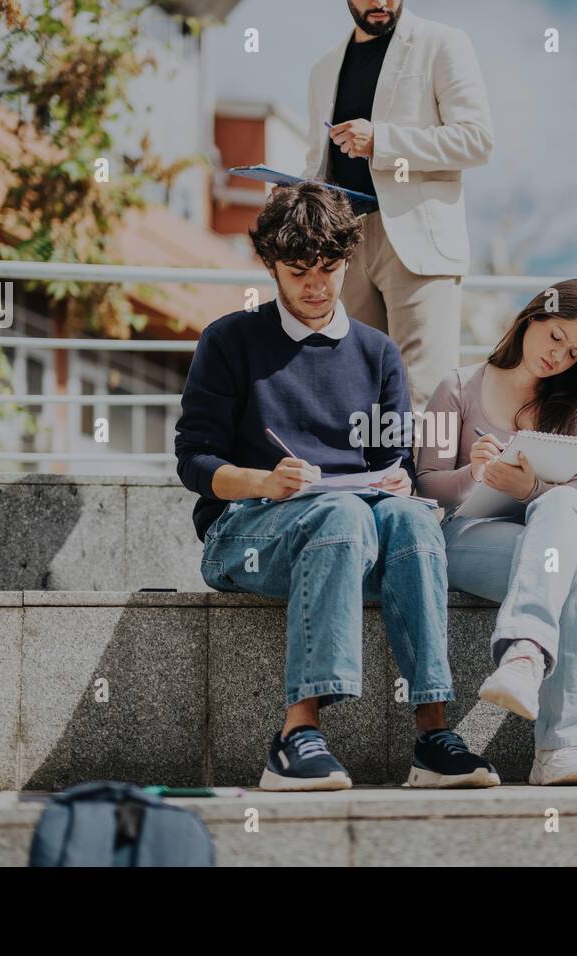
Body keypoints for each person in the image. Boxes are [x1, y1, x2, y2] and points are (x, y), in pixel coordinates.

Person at [174, 182, 498, 791]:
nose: (316, 286)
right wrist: (265, 482)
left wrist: (401, 476)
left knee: (410, 518)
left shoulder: (377, 353)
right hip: (245, 530)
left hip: (354, 533)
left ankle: (433, 735)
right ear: (270, 265)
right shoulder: (229, 340)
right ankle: (295, 737)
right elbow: (193, 459)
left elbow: (392, 458)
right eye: (298, 271)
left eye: (329, 268)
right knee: (341, 516)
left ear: (348, 260)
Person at [416, 280, 577, 785]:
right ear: (531, 319)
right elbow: (425, 483)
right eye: (555, 337)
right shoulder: (458, 387)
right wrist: (474, 475)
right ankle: (564, 744)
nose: (559, 357)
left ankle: (524, 654)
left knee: (567, 530)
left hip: (545, 546)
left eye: (574, 353)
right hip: (467, 538)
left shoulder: (575, 411)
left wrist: (531, 488)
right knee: (573, 562)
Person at [302, 0, 494, 408]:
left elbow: (476, 140)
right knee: (355, 389)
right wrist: (297, 194)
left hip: (417, 241)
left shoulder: (443, 43)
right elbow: (318, 162)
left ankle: (425, 475)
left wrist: (382, 141)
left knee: (424, 393)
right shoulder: (322, 69)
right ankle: (367, 475)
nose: (381, 3)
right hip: (345, 244)